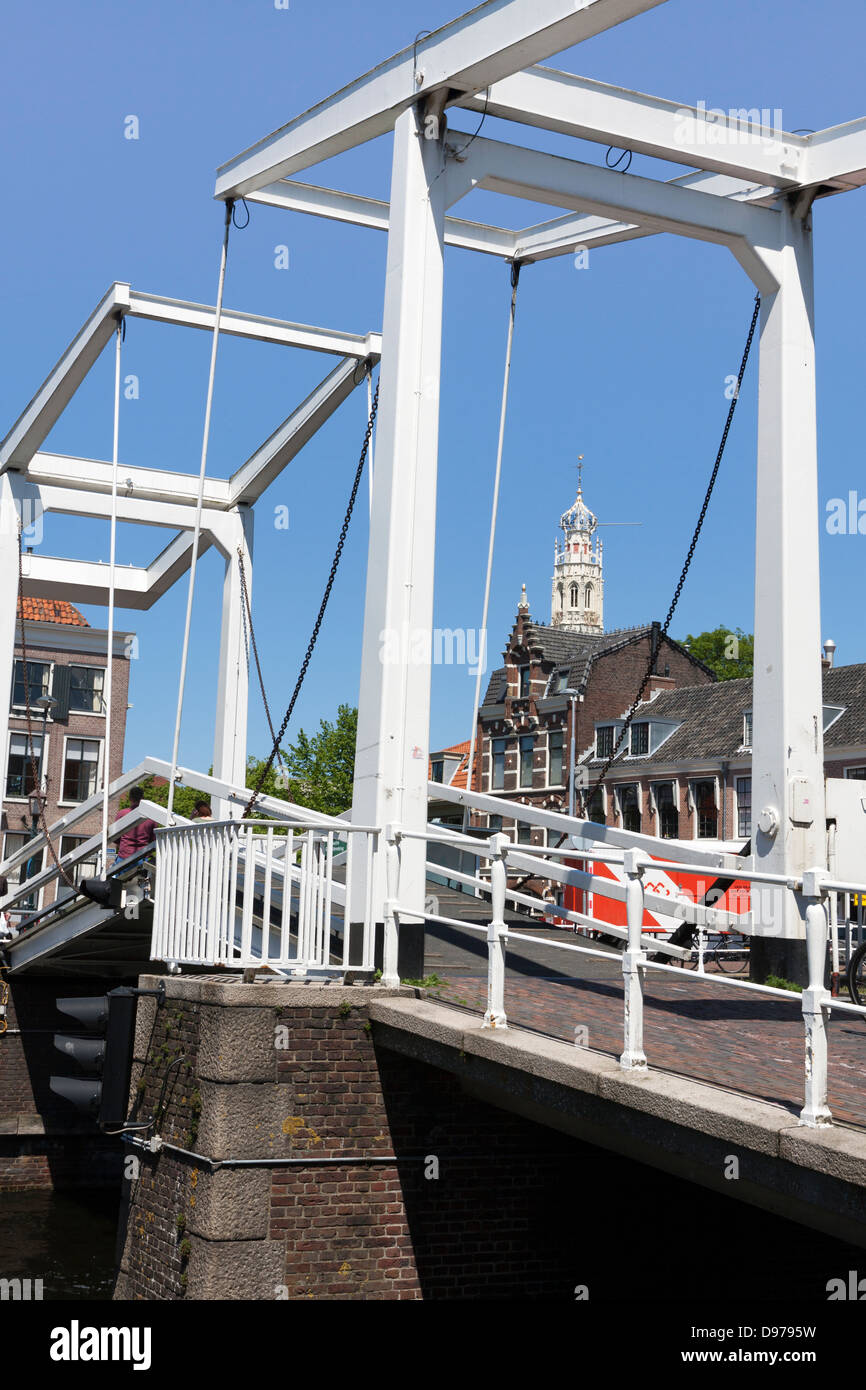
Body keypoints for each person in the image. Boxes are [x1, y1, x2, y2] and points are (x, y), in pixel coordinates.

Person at [114, 786, 158, 862]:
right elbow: (153, 839)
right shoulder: (150, 817)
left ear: (130, 798)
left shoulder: (122, 814)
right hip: (142, 856)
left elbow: (115, 837)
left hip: (124, 856)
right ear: (142, 798)